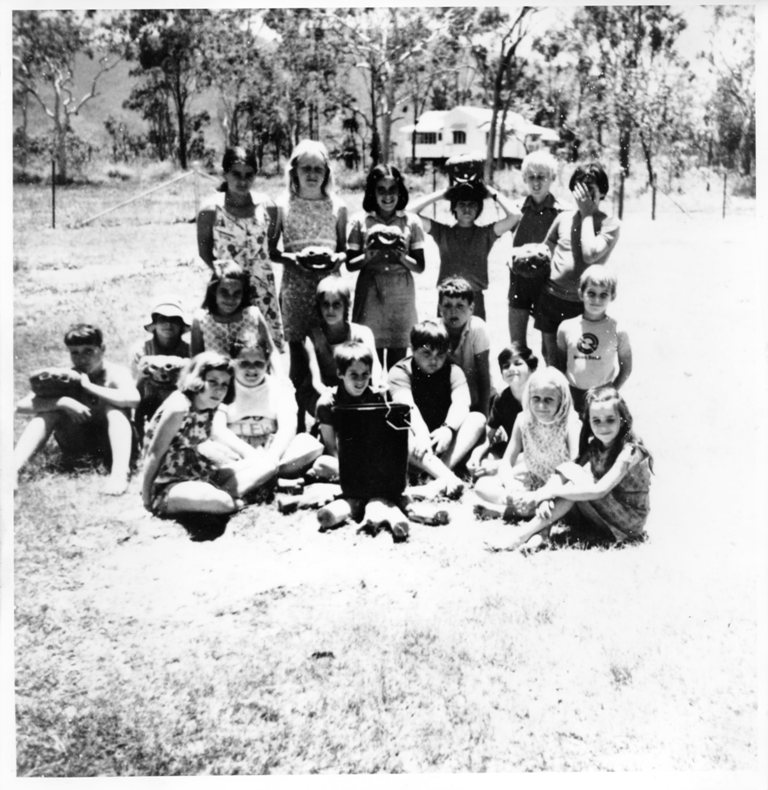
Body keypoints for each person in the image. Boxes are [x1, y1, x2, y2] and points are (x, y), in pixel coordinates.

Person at [500, 385, 653, 551]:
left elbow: (599, 490)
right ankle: (542, 533)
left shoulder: (630, 450)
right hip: (603, 514)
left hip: (628, 521)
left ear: (622, 419)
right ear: (589, 421)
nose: (603, 427)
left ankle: (521, 535)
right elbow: (567, 472)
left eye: (610, 420)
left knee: (575, 482)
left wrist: (548, 493)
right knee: (569, 470)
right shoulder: (595, 446)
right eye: (596, 420)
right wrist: (544, 497)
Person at [141, 352, 279, 519]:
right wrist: (146, 499)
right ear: (197, 379)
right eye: (212, 382)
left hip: (199, 474)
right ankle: (233, 500)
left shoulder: (210, 404)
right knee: (223, 503)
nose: (219, 390)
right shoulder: (179, 407)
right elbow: (154, 454)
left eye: (224, 384)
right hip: (168, 483)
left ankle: (225, 497)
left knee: (268, 465)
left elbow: (208, 438)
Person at [14, 323, 140, 495]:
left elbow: (133, 399)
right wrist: (61, 402)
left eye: (89, 351)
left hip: (112, 445)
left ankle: (119, 475)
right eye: (75, 352)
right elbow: (21, 406)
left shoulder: (116, 373)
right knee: (49, 412)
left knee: (115, 411)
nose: (82, 358)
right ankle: (11, 470)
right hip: (79, 443)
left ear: (102, 349)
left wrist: (89, 387)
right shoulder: (67, 375)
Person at [272, 140, 348, 426]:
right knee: (298, 358)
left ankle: (329, 419)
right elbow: (272, 251)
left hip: (328, 288)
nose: (312, 174)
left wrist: (332, 258)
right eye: (306, 168)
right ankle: (297, 424)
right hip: (296, 287)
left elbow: (344, 251)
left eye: (319, 168)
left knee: (330, 351)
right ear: (294, 171)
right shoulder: (282, 206)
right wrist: (295, 259)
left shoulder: (337, 206)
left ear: (327, 172)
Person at [196, 145, 285, 351]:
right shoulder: (210, 210)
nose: (243, 181)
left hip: (261, 288)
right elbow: (204, 252)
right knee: (224, 347)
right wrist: (226, 276)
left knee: (263, 350)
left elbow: (269, 246)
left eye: (249, 175)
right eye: (236, 174)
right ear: (224, 173)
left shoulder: (268, 207)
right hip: (228, 290)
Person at [535, 161, 621, 365]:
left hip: (582, 304)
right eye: (580, 189)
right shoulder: (563, 218)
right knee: (551, 357)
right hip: (551, 298)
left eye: (591, 190)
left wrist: (587, 215)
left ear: (603, 192)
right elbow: (546, 249)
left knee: (578, 360)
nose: (585, 196)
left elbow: (590, 254)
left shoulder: (610, 224)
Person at [388, 319, 486, 494]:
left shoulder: (453, 370)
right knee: (399, 429)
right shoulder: (400, 371)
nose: (434, 361)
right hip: (416, 441)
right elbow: (407, 406)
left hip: (442, 440)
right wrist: (422, 435)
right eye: (426, 354)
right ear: (413, 349)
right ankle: (446, 477)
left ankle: (435, 475)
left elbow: (462, 403)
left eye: (440, 355)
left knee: (477, 419)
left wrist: (448, 429)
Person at [473, 366, 581, 519]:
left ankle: (506, 512)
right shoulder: (523, 419)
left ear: (561, 400)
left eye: (548, 400)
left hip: (558, 486)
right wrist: (511, 487)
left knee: (568, 498)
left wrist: (544, 494)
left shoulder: (571, 423)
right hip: (533, 479)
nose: (540, 406)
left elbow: (573, 465)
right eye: (536, 398)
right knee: (482, 486)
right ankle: (522, 505)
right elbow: (507, 461)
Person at [346, 164, 426, 369]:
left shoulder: (411, 221)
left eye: (393, 190)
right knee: (369, 356)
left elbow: (420, 266)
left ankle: (396, 399)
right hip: (371, 292)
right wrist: (369, 255)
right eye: (381, 189)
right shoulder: (360, 221)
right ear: (372, 192)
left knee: (398, 361)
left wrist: (401, 257)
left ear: (401, 192)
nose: (387, 196)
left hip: (401, 295)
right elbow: (350, 264)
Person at [216, 331, 323, 481]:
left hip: (272, 452)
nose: (251, 370)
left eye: (258, 364)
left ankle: (249, 479)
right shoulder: (224, 385)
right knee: (209, 451)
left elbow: (288, 428)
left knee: (308, 443)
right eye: (244, 363)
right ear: (233, 362)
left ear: (267, 363)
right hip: (235, 453)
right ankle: (267, 478)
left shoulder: (280, 387)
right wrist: (250, 454)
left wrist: (271, 457)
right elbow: (218, 430)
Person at [409, 180, 520, 320]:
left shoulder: (485, 234)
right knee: (444, 340)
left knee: (475, 339)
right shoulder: (443, 233)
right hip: (448, 299)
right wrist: (444, 193)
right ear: (454, 207)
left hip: (474, 299)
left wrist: (490, 191)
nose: (467, 209)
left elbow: (515, 216)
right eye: (462, 204)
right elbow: (409, 212)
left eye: (472, 205)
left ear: (478, 208)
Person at [297, 276, 383, 421]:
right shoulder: (312, 337)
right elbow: (316, 380)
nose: (330, 310)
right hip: (327, 391)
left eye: (336, 305)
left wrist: (377, 382)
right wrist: (329, 393)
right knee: (329, 409)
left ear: (346, 306)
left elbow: (375, 364)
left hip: (357, 384)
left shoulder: (362, 332)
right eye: (325, 304)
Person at [555, 265, 632, 415]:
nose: (597, 300)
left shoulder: (618, 330)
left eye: (604, 295)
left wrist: (611, 391)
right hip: (573, 394)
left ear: (613, 296)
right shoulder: (566, 327)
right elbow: (560, 364)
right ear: (581, 293)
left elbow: (626, 369)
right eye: (591, 293)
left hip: (603, 395)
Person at [507, 149, 562, 346]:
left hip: (549, 285)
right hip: (519, 283)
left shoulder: (563, 212)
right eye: (531, 177)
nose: (536, 183)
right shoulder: (514, 209)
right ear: (524, 178)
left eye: (542, 177)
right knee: (517, 346)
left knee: (550, 347)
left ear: (553, 178)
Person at [310, 340, 387, 481]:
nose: (360, 381)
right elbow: (331, 448)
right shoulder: (327, 402)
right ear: (340, 373)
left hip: (365, 456)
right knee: (322, 464)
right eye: (354, 375)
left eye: (365, 374)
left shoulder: (375, 398)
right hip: (339, 458)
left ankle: (359, 478)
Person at [190, 260, 280, 373]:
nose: (230, 299)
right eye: (224, 292)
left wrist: (280, 377)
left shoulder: (253, 315)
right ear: (214, 291)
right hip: (218, 384)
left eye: (237, 293)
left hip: (250, 380)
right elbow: (196, 360)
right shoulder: (201, 320)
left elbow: (272, 352)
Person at [467, 342, 539, 478]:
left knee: (496, 467)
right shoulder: (502, 400)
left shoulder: (540, 397)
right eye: (506, 366)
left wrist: (501, 464)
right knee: (486, 460)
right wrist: (475, 456)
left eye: (518, 363)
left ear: (532, 368)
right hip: (514, 450)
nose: (511, 368)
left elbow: (545, 448)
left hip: (540, 453)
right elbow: (488, 436)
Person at [131, 296, 191, 441]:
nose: (168, 324)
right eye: (163, 319)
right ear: (154, 323)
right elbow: (134, 386)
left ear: (181, 325)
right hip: (148, 399)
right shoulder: (141, 350)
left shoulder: (189, 350)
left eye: (174, 320)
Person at [437, 276, 492, 416]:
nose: (453, 312)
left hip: (476, 397)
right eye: (447, 305)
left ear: (471, 308)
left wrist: (483, 415)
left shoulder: (477, 328)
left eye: (460, 306)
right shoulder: (434, 330)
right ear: (439, 308)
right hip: (447, 399)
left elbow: (483, 376)